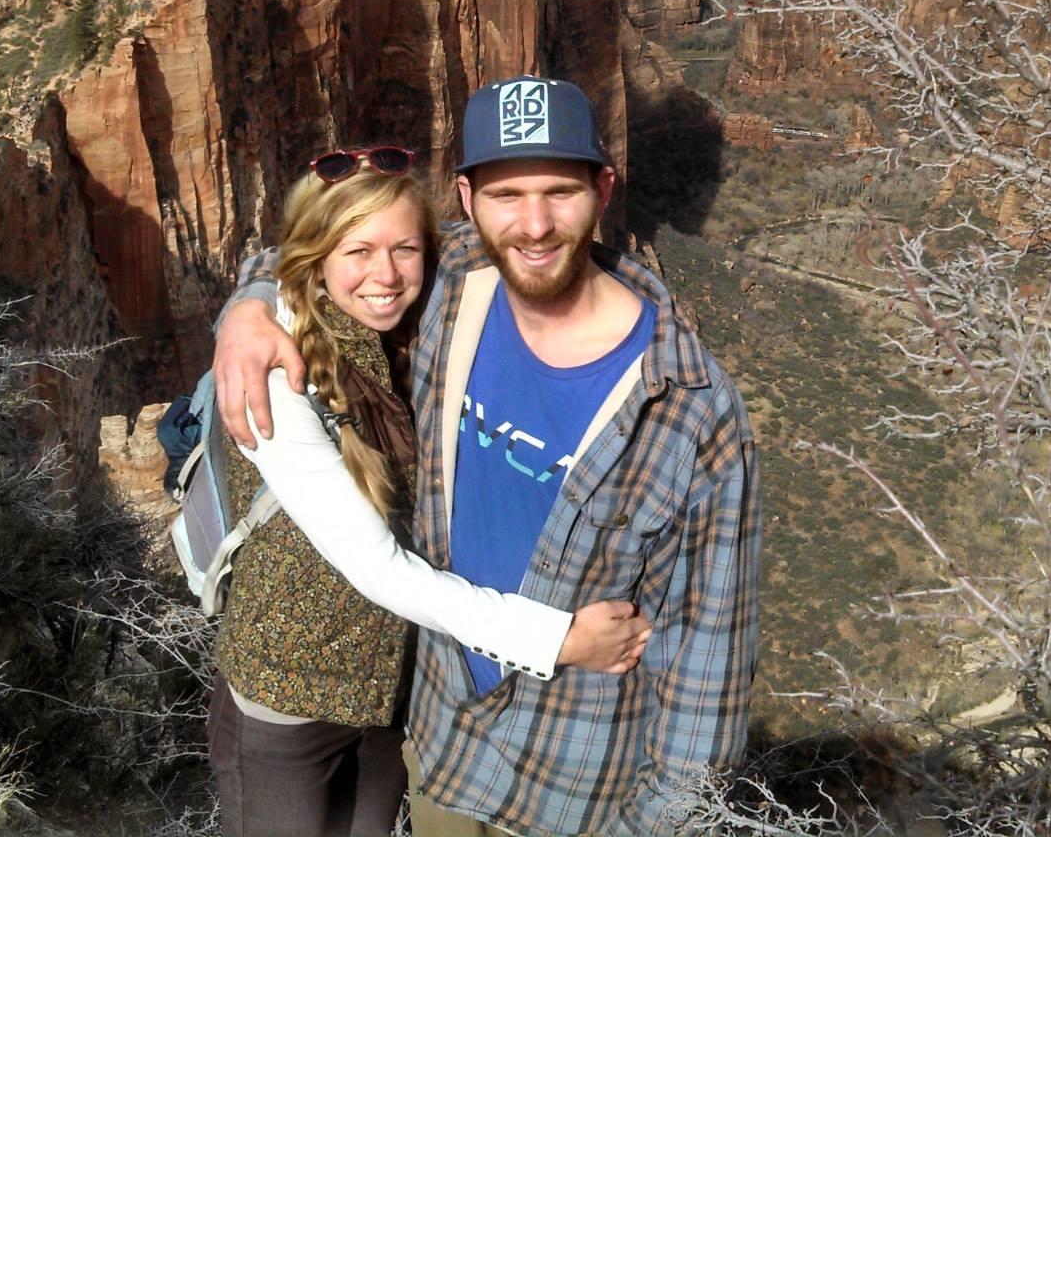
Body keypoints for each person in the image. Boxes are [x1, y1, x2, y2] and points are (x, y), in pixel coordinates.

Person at [216, 79, 761, 835]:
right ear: (468, 202)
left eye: (560, 192)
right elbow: (314, 251)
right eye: (507, 195)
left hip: (571, 778)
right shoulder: (452, 284)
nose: (534, 225)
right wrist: (245, 310)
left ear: (604, 190)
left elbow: (710, 665)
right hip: (434, 736)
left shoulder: (692, 411)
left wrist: (662, 827)